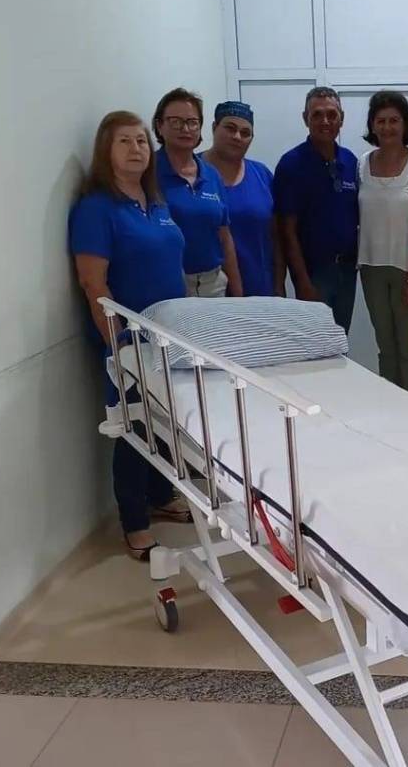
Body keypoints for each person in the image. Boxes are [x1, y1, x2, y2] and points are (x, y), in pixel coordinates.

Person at [69, 111, 190, 561]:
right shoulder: (96, 208)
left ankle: (160, 497)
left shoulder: (155, 202)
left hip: (169, 333)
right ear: (106, 150)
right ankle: (135, 523)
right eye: (125, 141)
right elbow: (92, 282)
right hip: (129, 339)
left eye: (141, 141)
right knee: (134, 426)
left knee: (165, 421)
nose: (137, 148)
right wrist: (116, 343)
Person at [357, 91, 408, 397]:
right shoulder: (362, 164)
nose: (387, 127)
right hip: (372, 268)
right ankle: (390, 410)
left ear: (406, 124)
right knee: (386, 348)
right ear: (372, 125)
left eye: (394, 120)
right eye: (381, 121)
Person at [273, 86, 360, 331]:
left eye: (332, 115)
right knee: (314, 341)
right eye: (317, 115)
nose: (325, 121)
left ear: (341, 119)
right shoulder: (291, 165)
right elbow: (287, 230)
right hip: (313, 272)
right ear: (305, 118)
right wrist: (302, 281)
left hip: (347, 269)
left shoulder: (351, 161)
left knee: (340, 337)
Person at [152, 88, 243, 297]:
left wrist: (238, 292)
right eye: (175, 121)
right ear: (159, 125)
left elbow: (224, 236)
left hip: (213, 284)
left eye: (192, 122)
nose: (185, 129)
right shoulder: (148, 173)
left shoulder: (211, 174)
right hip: (169, 284)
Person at [204, 100, 285, 296]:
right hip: (206, 294)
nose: (237, 137)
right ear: (214, 127)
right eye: (230, 128)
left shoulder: (262, 175)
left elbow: (277, 237)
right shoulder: (193, 173)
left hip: (259, 290)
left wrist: (279, 285)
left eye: (245, 132)